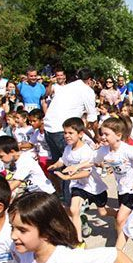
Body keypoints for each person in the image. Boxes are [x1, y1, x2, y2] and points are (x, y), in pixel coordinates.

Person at [9, 192, 133, 263]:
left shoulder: (68, 259)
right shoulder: (25, 254)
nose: (13, 236)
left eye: (22, 230)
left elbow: (115, 255)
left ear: (47, 231)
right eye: (12, 228)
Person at [47, 117, 112, 245]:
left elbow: (86, 172)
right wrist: (55, 165)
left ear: (81, 134)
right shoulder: (68, 149)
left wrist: (67, 177)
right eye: (65, 133)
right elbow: (63, 160)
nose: (67, 136)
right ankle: (78, 241)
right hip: (78, 186)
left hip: (94, 187)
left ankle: (117, 215)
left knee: (102, 212)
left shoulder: (86, 150)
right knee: (73, 209)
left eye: (70, 133)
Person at [94, 117, 133, 249]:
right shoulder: (104, 150)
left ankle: (119, 251)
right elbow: (93, 160)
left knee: (120, 219)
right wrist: (77, 166)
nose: (103, 137)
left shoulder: (128, 149)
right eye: (101, 133)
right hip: (122, 188)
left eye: (106, 134)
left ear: (118, 136)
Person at [44, 68, 98, 205]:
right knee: (71, 169)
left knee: (60, 166)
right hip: (63, 131)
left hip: (50, 129)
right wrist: (96, 136)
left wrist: (90, 136)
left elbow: (77, 123)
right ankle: (71, 204)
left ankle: (63, 198)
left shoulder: (67, 87)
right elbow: (92, 119)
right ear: (90, 80)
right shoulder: (87, 91)